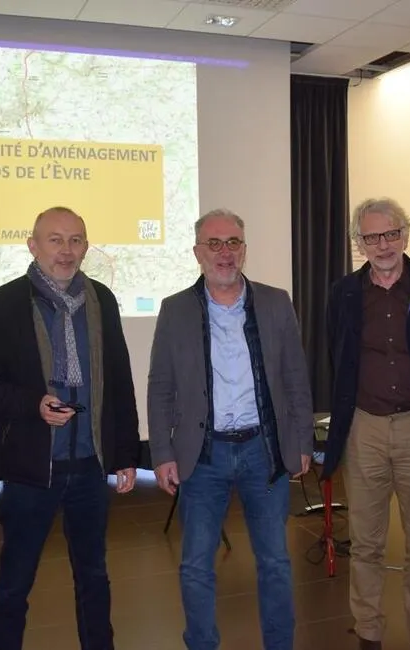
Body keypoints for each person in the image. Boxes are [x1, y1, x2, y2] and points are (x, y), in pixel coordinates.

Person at [0, 206, 140, 650]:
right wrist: (31, 405)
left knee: (94, 577)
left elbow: (119, 379)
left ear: (86, 246)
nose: (66, 250)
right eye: (55, 240)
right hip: (30, 472)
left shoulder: (102, 299)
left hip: (89, 467)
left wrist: (125, 454)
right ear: (33, 246)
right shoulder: (4, 303)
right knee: (14, 583)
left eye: (76, 240)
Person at [147, 208, 313, 650]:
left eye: (233, 242)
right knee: (196, 566)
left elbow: (295, 376)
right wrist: (161, 452)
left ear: (245, 249)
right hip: (203, 455)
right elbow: (160, 385)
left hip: (264, 450)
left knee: (275, 562)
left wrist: (302, 440)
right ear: (197, 252)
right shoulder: (176, 309)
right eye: (214, 243)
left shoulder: (276, 302)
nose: (225, 252)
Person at [322, 197, 410, 650]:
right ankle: (368, 633)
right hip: (365, 429)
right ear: (359, 243)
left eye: (391, 234)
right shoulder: (343, 293)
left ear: (406, 235)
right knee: (366, 543)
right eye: (372, 237)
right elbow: (336, 356)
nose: (383, 245)